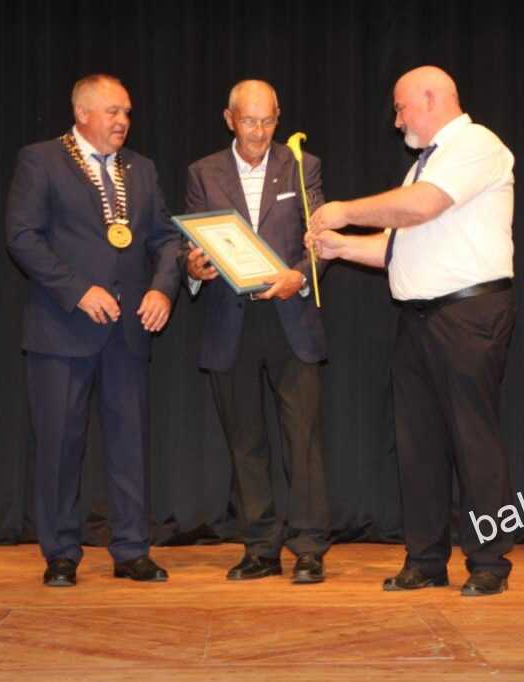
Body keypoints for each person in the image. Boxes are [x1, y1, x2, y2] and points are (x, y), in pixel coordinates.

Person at [309, 65, 517, 596]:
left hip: (468, 315)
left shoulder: (476, 144)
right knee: (418, 444)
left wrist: (343, 212)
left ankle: (489, 562)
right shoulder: (425, 166)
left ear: (431, 98)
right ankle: (425, 560)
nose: (396, 119)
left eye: (401, 107)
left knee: (473, 440)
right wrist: (341, 247)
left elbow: (422, 207)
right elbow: (398, 247)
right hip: (420, 318)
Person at [6, 74, 182, 587]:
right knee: (60, 446)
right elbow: (22, 236)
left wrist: (162, 290)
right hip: (62, 330)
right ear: (82, 114)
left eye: (126, 112)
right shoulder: (41, 160)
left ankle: (132, 550)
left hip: (128, 332)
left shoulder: (141, 169)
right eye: (113, 112)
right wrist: (78, 290)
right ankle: (61, 553)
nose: (123, 121)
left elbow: (166, 239)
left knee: (130, 444)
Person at [184, 80, 331, 584]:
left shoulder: (302, 165)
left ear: (278, 117)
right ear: (229, 119)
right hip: (231, 322)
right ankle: (261, 547)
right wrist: (193, 268)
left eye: (268, 120)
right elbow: (191, 246)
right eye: (249, 121)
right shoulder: (203, 172)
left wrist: (299, 276)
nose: (259, 132)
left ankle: (308, 547)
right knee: (246, 443)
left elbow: (320, 242)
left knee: (302, 440)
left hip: (290, 316)